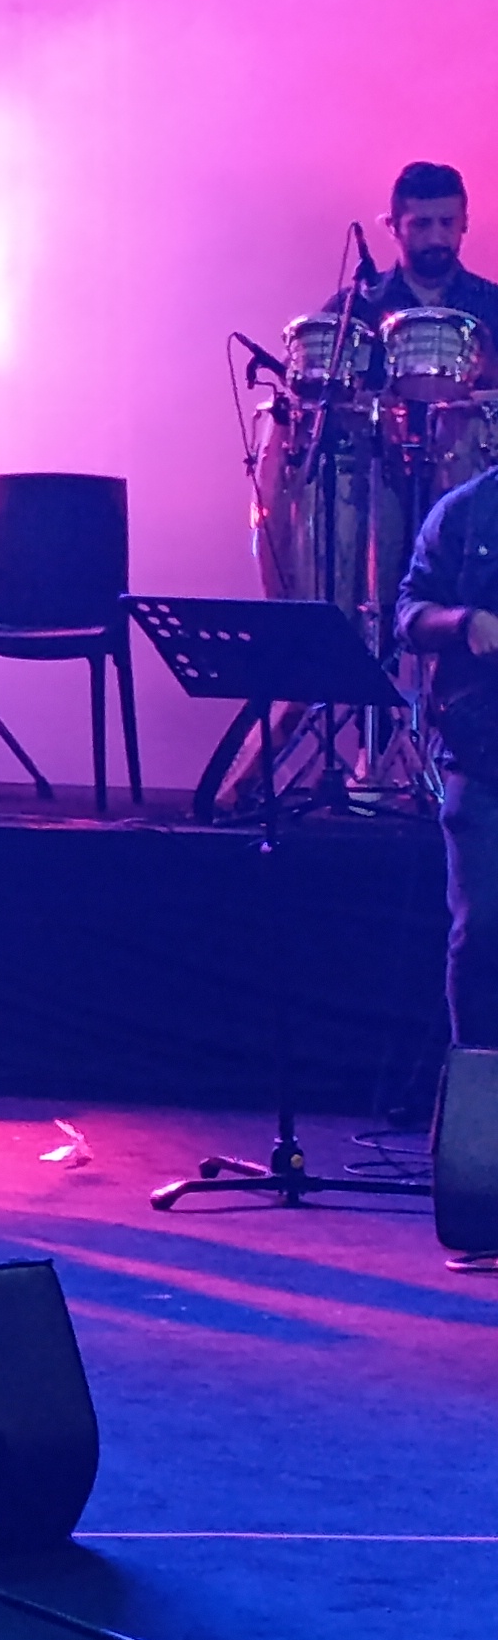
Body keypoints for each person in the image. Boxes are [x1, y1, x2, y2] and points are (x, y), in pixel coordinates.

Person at [400, 465, 498, 1052]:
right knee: (483, 932)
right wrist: (465, 622)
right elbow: (410, 613)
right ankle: (479, 1090)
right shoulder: (467, 510)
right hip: (483, 757)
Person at [346, 162, 498, 367]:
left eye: (447, 223)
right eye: (421, 224)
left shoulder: (493, 304)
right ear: (393, 227)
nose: (436, 238)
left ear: (464, 223)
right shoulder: (354, 307)